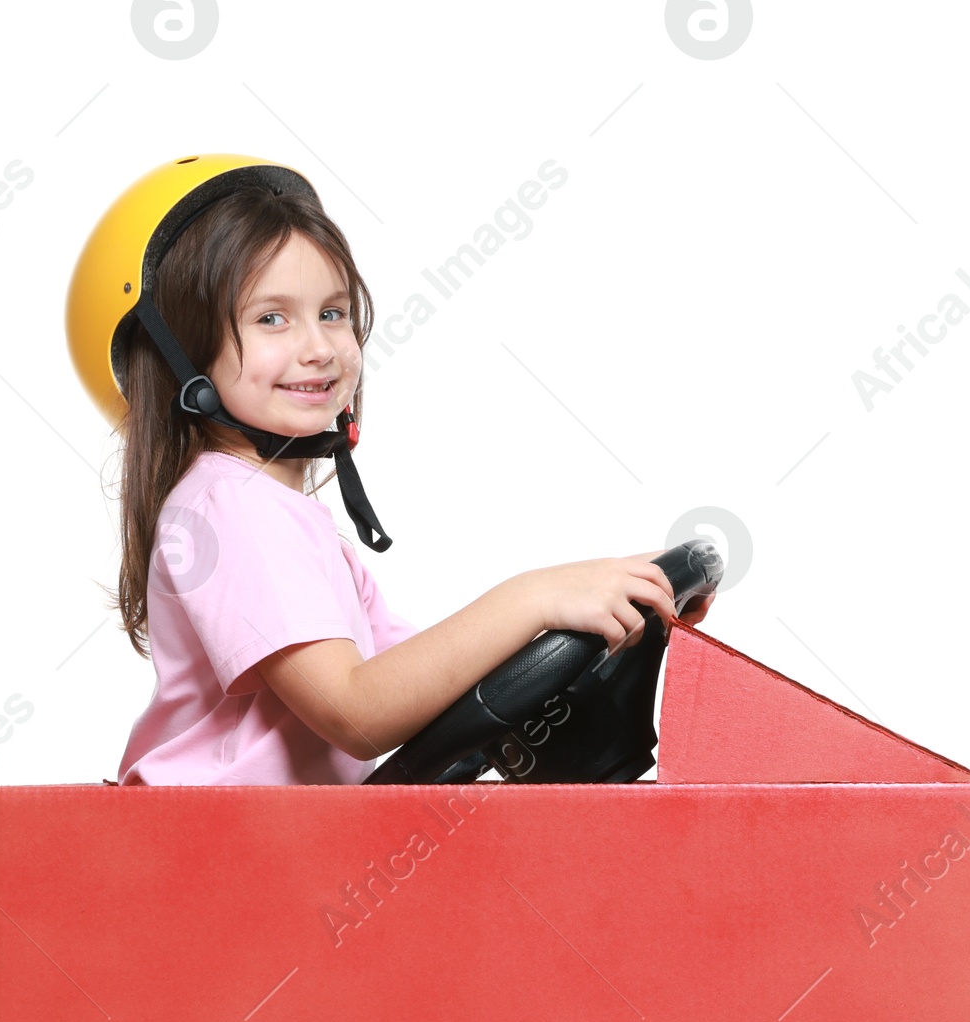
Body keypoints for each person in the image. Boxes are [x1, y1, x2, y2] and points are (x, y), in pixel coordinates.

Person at [66, 156, 713, 785]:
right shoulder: (229, 509)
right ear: (178, 357)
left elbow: (425, 682)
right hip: (209, 867)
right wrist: (536, 594)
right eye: (271, 318)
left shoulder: (288, 522)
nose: (319, 347)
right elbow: (358, 710)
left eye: (333, 312)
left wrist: (610, 600)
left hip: (278, 857)